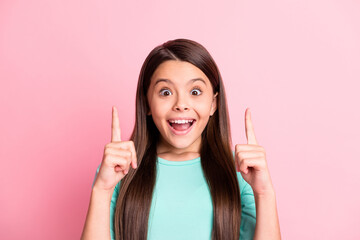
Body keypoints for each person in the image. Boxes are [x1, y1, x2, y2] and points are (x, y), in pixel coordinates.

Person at [81, 38, 281, 240]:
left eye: (195, 92)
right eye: (165, 92)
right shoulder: (117, 170)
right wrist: (102, 190)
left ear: (213, 103)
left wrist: (264, 193)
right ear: (147, 103)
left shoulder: (242, 172)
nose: (181, 104)